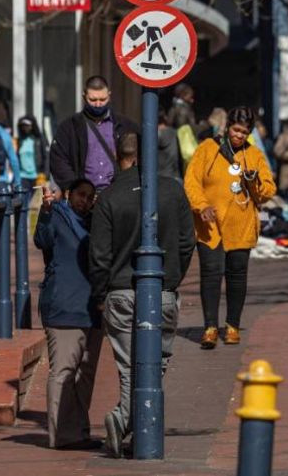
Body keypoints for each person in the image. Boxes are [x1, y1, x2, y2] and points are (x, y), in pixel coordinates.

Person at [89, 134, 195, 458]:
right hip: (162, 290)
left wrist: (101, 294)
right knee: (156, 364)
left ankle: (123, 419)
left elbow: (99, 256)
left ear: (119, 156)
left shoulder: (108, 197)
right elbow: (187, 243)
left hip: (120, 291)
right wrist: (173, 277)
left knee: (127, 367)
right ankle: (126, 422)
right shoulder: (173, 191)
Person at [184, 107, 276, 350]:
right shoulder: (207, 149)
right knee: (211, 274)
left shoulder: (254, 155)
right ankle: (210, 328)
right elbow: (191, 181)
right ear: (228, 127)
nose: (239, 135)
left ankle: (232, 325)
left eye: (244, 132)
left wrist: (253, 181)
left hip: (241, 225)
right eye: (236, 130)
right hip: (210, 226)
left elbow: (267, 191)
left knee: (237, 276)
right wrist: (201, 205)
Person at [35, 179, 103, 450]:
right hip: (64, 306)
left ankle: (78, 431)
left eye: (90, 197)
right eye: (80, 195)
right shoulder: (58, 216)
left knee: (84, 375)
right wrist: (46, 211)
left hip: (92, 307)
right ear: (69, 194)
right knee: (63, 371)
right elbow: (43, 239)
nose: (84, 201)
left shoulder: (96, 222)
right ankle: (61, 435)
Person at [49, 75, 138, 192]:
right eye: (93, 100)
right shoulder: (69, 127)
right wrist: (75, 187)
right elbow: (58, 160)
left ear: (109, 96)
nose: (98, 104)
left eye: (102, 99)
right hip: (83, 198)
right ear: (84, 97)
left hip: (117, 193)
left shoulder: (126, 125)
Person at [17, 115, 47, 189]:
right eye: (23, 126)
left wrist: (45, 174)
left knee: (37, 200)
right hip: (23, 176)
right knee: (24, 199)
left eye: (27, 125)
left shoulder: (39, 139)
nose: (25, 128)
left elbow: (46, 157)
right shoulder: (20, 140)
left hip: (37, 176)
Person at [158, 112, 182, 182]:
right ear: (165, 118)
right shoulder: (176, 133)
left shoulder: (151, 136)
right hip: (175, 176)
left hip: (158, 178)